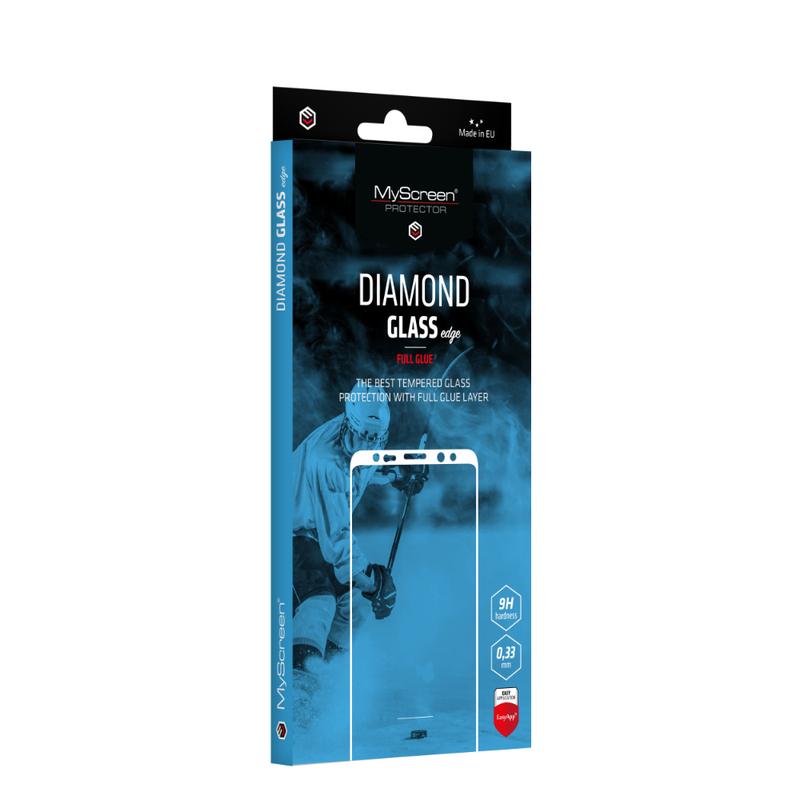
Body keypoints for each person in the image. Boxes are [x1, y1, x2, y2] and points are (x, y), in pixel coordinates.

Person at [292, 385, 427, 670]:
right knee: (320, 602)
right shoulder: (326, 461)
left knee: (354, 611)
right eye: (362, 436)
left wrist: (398, 472)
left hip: (315, 536)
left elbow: (362, 466)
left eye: (375, 440)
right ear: (347, 424)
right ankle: (300, 682)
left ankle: (326, 676)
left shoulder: (360, 437)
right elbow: (337, 543)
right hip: (288, 532)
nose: (367, 446)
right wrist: (374, 582)